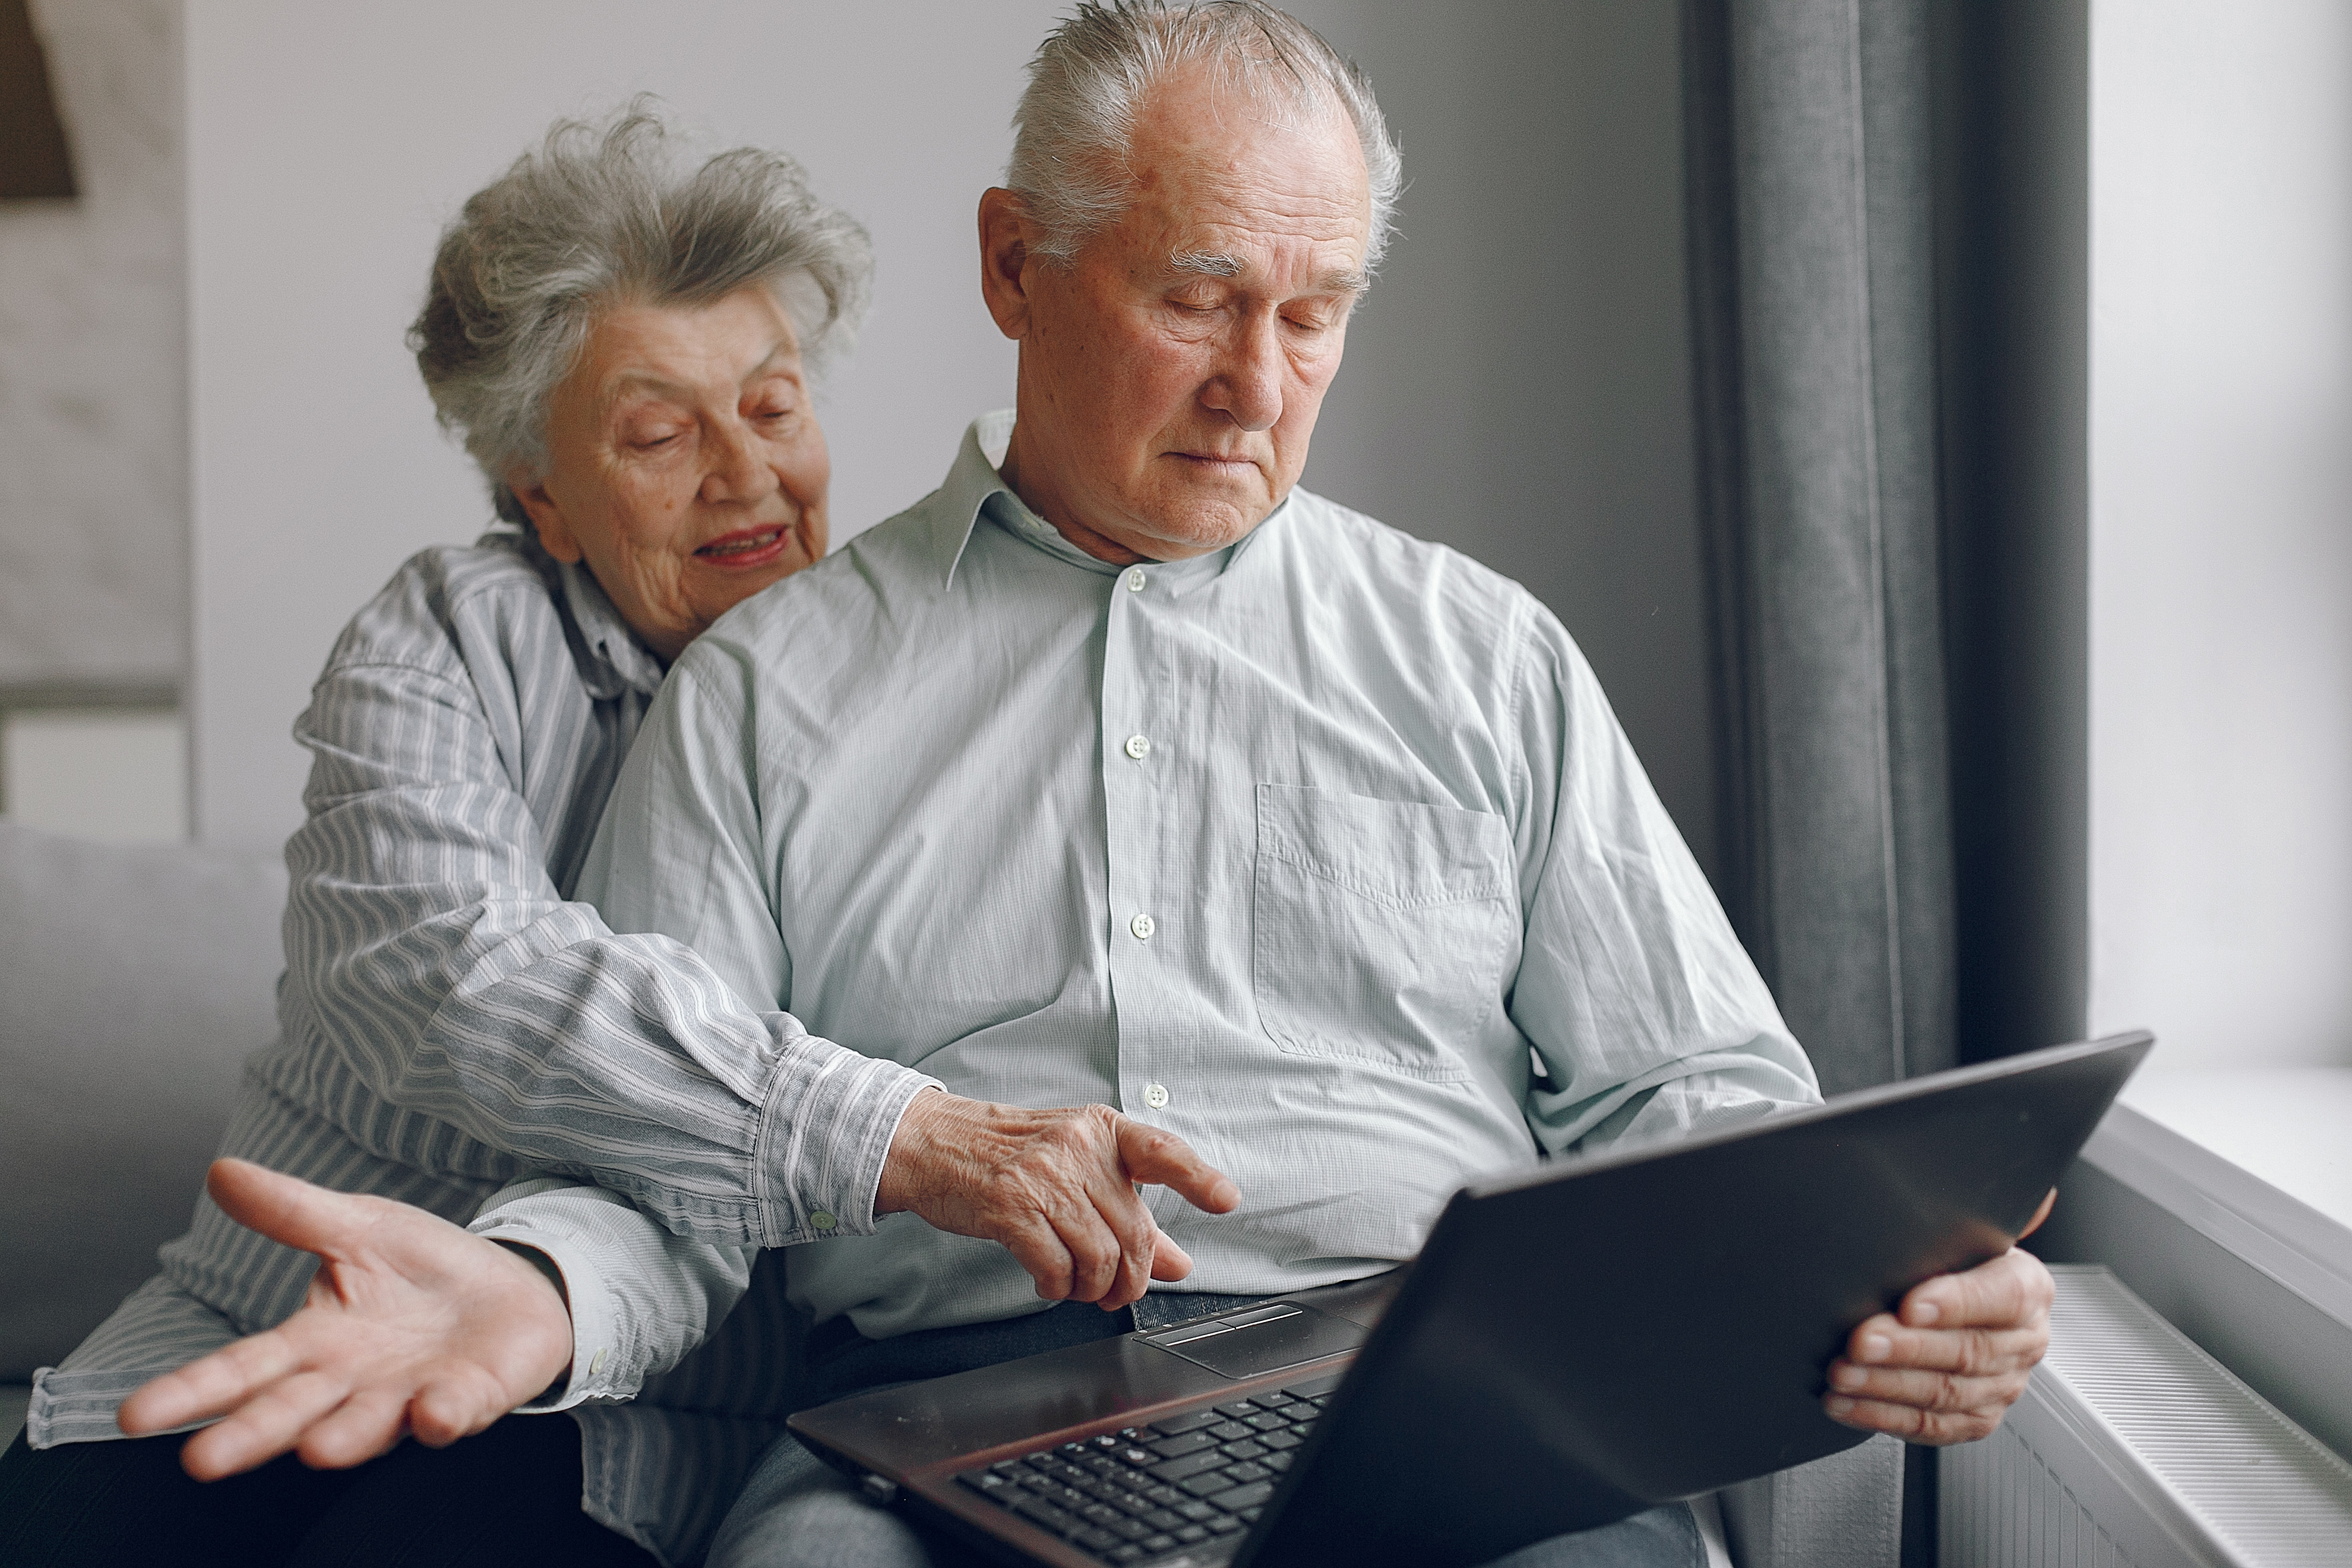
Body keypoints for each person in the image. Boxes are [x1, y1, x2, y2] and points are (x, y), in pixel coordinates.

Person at [84, 6, 2059, 1567]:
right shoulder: (769, 691)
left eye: (1315, 313)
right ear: (1015, 265)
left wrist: (1879, 1272)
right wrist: (539, 1294)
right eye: (1198, 296)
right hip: (932, 1437)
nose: (1257, 382)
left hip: (1440, 1401)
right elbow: (668, 1196)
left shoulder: (1486, 659)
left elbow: (1694, 1096)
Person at [0, 108, 941, 1568]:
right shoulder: (446, 635)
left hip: (620, 1413)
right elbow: (456, 975)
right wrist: (877, 1133)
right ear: (544, 500)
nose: (744, 473)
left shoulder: (908, 703)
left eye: (772, 404)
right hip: (269, 1320)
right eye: (657, 431)